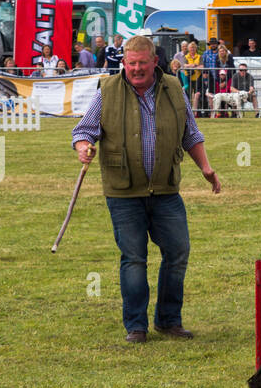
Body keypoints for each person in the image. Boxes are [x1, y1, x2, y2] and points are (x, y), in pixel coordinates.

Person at [71, 35, 222, 343]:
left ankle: (168, 321)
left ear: (155, 62)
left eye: (142, 63)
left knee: (178, 251)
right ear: (123, 63)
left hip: (165, 189)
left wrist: (206, 168)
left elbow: (190, 133)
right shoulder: (108, 91)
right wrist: (83, 146)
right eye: (131, 63)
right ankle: (136, 326)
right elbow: (84, 129)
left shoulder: (174, 88)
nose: (136, 69)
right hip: (124, 192)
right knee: (134, 258)